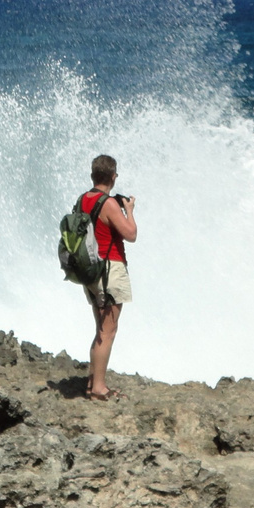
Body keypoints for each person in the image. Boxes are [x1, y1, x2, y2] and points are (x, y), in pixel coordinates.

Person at [81, 154, 137, 400]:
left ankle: (93, 382)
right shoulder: (110, 204)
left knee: (100, 329)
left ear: (94, 175)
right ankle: (99, 388)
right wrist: (129, 211)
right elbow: (131, 234)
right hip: (110, 270)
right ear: (113, 177)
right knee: (108, 331)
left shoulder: (83, 199)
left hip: (91, 270)